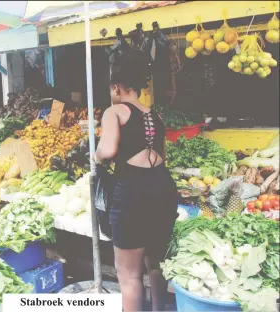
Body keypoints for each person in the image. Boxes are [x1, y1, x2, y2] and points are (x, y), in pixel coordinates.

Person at [95, 49, 177, 311]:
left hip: (132, 191)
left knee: (129, 274)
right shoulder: (157, 115)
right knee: (156, 265)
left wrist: (96, 156)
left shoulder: (115, 111)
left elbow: (107, 151)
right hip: (162, 187)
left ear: (117, 87)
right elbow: (161, 155)